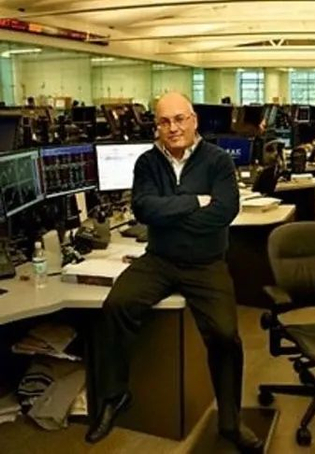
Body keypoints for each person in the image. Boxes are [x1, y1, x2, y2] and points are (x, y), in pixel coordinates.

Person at [85, 92, 263, 453]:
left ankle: (230, 421)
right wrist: (195, 201)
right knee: (116, 306)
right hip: (159, 259)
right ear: (157, 126)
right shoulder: (148, 162)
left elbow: (224, 212)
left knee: (226, 335)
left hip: (206, 262)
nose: (173, 128)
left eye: (180, 119)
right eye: (165, 121)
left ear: (194, 120)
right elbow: (144, 209)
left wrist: (171, 216)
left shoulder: (217, 160)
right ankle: (114, 397)